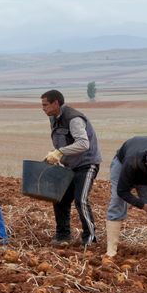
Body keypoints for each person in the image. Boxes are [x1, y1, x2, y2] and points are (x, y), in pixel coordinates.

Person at [40, 90, 101, 248]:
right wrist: (56, 155)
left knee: (81, 200)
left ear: (56, 103)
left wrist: (60, 152)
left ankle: (90, 239)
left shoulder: (73, 118)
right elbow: (62, 141)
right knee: (59, 198)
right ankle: (63, 236)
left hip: (86, 163)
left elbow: (83, 144)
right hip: (69, 165)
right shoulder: (54, 118)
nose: (43, 108)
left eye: (45, 105)